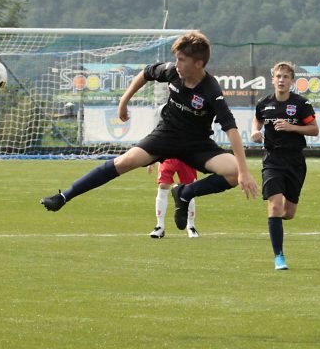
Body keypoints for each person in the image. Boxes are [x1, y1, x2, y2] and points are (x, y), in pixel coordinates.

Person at [41, 31, 258, 229]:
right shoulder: (173, 72)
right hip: (166, 135)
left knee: (235, 172)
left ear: (199, 63)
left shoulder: (211, 91)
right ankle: (64, 197)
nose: (177, 64)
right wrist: (123, 102)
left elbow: (231, 130)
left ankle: (185, 193)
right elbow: (146, 74)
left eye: (182, 60)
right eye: (177, 59)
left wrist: (245, 172)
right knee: (123, 162)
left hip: (197, 143)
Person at [251, 61, 319, 270]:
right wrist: (255, 131)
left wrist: (292, 127)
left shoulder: (301, 104)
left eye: (286, 77)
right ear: (272, 79)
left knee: (288, 212)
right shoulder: (264, 103)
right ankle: (279, 256)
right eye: (278, 76)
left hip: (295, 161)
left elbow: (314, 129)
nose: (281, 80)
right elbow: (257, 120)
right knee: (275, 205)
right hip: (272, 160)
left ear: (291, 81)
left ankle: (276, 221)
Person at [148, 159, 199, 239]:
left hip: (187, 156)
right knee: (163, 185)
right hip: (168, 156)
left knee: (189, 188)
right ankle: (159, 226)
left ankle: (191, 226)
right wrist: (151, 160)